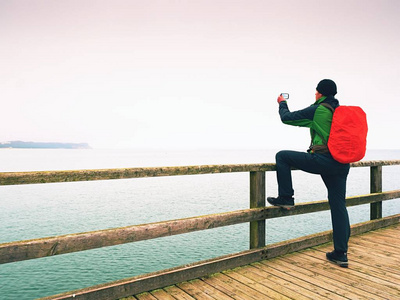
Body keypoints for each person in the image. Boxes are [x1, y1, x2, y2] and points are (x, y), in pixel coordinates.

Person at [267, 79, 350, 268]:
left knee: (282, 156)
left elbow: (287, 118)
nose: (314, 94)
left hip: (324, 161)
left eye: (316, 92)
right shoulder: (339, 110)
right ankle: (341, 254)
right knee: (339, 205)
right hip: (342, 163)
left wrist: (282, 102)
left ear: (320, 93)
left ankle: (286, 197)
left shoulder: (318, 109)